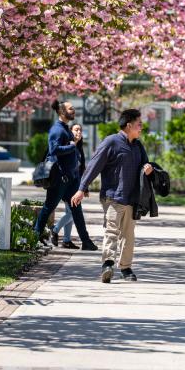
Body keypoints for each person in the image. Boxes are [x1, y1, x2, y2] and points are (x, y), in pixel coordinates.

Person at [71, 109, 152, 284]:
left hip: (132, 198)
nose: (141, 128)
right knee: (112, 231)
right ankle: (107, 264)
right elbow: (94, 165)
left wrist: (148, 167)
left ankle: (126, 267)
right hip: (113, 196)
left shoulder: (138, 145)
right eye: (139, 124)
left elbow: (145, 162)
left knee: (128, 234)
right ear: (129, 125)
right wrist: (81, 188)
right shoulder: (111, 142)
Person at [34, 101, 97, 251]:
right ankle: (34, 236)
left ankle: (86, 241)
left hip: (71, 179)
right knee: (49, 207)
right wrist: (72, 145)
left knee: (77, 209)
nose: (73, 110)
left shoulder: (65, 129)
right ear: (62, 112)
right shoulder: (57, 130)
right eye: (70, 108)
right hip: (60, 179)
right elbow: (54, 150)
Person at [50, 122, 86, 249]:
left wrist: (83, 187)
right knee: (72, 213)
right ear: (70, 132)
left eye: (80, 130)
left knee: (69, 211)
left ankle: (66, 240)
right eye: (76, 130)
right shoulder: (68, 145)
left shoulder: (78, 148)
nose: (79, 132)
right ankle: (54, 229)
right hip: (65, 184)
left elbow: (80, 169)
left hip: (75, 185)